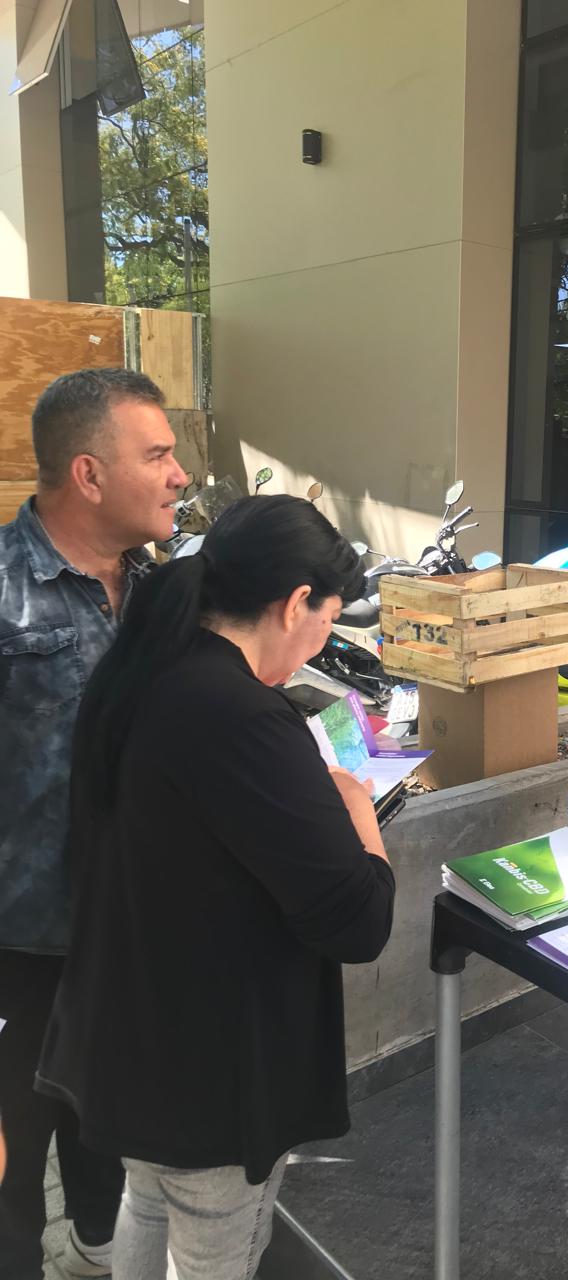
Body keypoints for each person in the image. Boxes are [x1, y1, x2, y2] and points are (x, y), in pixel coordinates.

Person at [35, 493, 396, 1280]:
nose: (322, 642)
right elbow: (358, 920)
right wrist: (359, 814)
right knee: (213, 1247)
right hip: (211, 1063)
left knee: (147, 1201)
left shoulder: (145, 669)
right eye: (329, 620)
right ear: (295, 603)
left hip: (135, 1033)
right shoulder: (241, 714)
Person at [0, 368, 188, 1277]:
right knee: (10, 1164)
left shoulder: (159, 592)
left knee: (105, 1131)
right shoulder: (5, 591)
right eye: (158, 455)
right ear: (89, 473)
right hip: (20, 943)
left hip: (127, 933)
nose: (180, 475)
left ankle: (95, 1251)